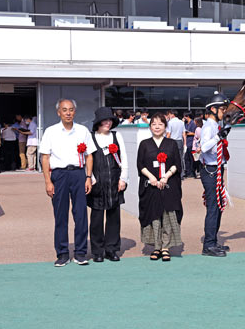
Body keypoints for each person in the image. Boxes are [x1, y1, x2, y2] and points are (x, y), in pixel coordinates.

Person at [39, 99, 96, 267]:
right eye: (64, 110)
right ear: (59, 113)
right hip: (59, 175)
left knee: (80, 215)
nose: (68, 113)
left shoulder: (83, 131)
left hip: (79, 174)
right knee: (60, 215)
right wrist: (48, 181)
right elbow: (45, 157)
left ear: (75, 112)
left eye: (71, 110)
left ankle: (80, 252)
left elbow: (89, 156)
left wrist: (88, 177)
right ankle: (62, 253)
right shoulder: (51, 132)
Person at [137, 113, 183, 262]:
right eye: (154, 124)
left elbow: (177, 163)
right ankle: (156, 247)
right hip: (151, 187)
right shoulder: (144, 144)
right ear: (150, 127)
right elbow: (140, 165)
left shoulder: (171, 144)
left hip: (169, 186)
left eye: (160, 124)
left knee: (168, 216)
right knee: (154, 217)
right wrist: (152, 178)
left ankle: (165, 248)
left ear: (165, 127)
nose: (157, 127)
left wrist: (166, 177)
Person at [87, 107, 128, 263]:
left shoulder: (117, 136)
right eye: (105, 120)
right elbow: (87, 159)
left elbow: (124, 158)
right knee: (96, 218)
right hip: (97, 183)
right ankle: (97, 251)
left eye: (110, 120)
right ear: (98, 122)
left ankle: (111, 249)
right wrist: (91, 178)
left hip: (115, 182)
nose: (108, 123)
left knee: (114, 217)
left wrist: (123, 178)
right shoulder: (91, 137)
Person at [199, 92, 232, 257]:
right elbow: (204, 147)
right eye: (222, 109)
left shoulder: (215, 126)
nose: (224, 112)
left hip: (217, 168)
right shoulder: (208, 127)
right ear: (213, 109)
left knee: (219, 207)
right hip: (210, 171)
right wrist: (219, 137)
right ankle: (208, 245)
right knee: (213, 208)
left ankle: (213, 240)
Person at [165, 109, 186, 179]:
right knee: (180, 158)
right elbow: (184, 134)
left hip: (172, 141)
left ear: (172, 114)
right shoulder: (181, 122)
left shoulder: (170, 122)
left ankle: (173, 173)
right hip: (180, 141)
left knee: (171, 158)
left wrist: (165, 142)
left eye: (169, 114)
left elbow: (168, 133)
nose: (168, 116)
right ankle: (181, 174)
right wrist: (185, 144)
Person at [183, 111, 197, 178]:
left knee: (191, 158)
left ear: (188, 116)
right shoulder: (185, 123)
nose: (184, 118)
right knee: (186, 158)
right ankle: (188, 172)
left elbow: (195, 133)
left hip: (191, 142)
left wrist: (188, 133)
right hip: (187, 143)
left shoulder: (193, 123)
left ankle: (192, 172)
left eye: (185, 116)